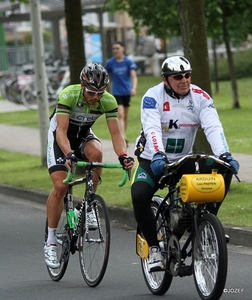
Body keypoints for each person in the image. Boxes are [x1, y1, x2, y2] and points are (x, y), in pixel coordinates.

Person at [131, 55, 239, 272]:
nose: (184, 80)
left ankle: (205, 227)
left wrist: (225, 154)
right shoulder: (153, 96)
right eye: (178, 76)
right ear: (165, 79)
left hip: (183, 159)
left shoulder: (201, 97)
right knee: (139, 195)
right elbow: (152, 127)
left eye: (187, 75)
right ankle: (153, 249)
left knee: (223, 172)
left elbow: (213, 128)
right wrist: (159, 154)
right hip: (153, 158)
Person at [44, 62, 134, 269]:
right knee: (60, 186)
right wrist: (68, 154)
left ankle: (88, 204)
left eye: (100, 93)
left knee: (97, 152)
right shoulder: (69, 95)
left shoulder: (108, 101)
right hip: (61, 137)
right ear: (82, 85)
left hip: (84, 135)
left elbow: (116, 134)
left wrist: (123, 155)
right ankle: (50, 240)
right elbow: (61, 132)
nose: (95, 97)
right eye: (92, 92)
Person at [105, 41, 138, 146]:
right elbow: (105, 76)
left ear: (122, 49)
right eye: (114, 48)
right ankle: (122, 137)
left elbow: (134, 76)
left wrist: (134, 88)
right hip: (116, 92)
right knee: (120, 114)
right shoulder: (110, 63)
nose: (115, 50)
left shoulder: (128, 62)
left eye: (117, 48)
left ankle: (124, 134)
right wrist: (105, 89)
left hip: (126, 92)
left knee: (125, 116)